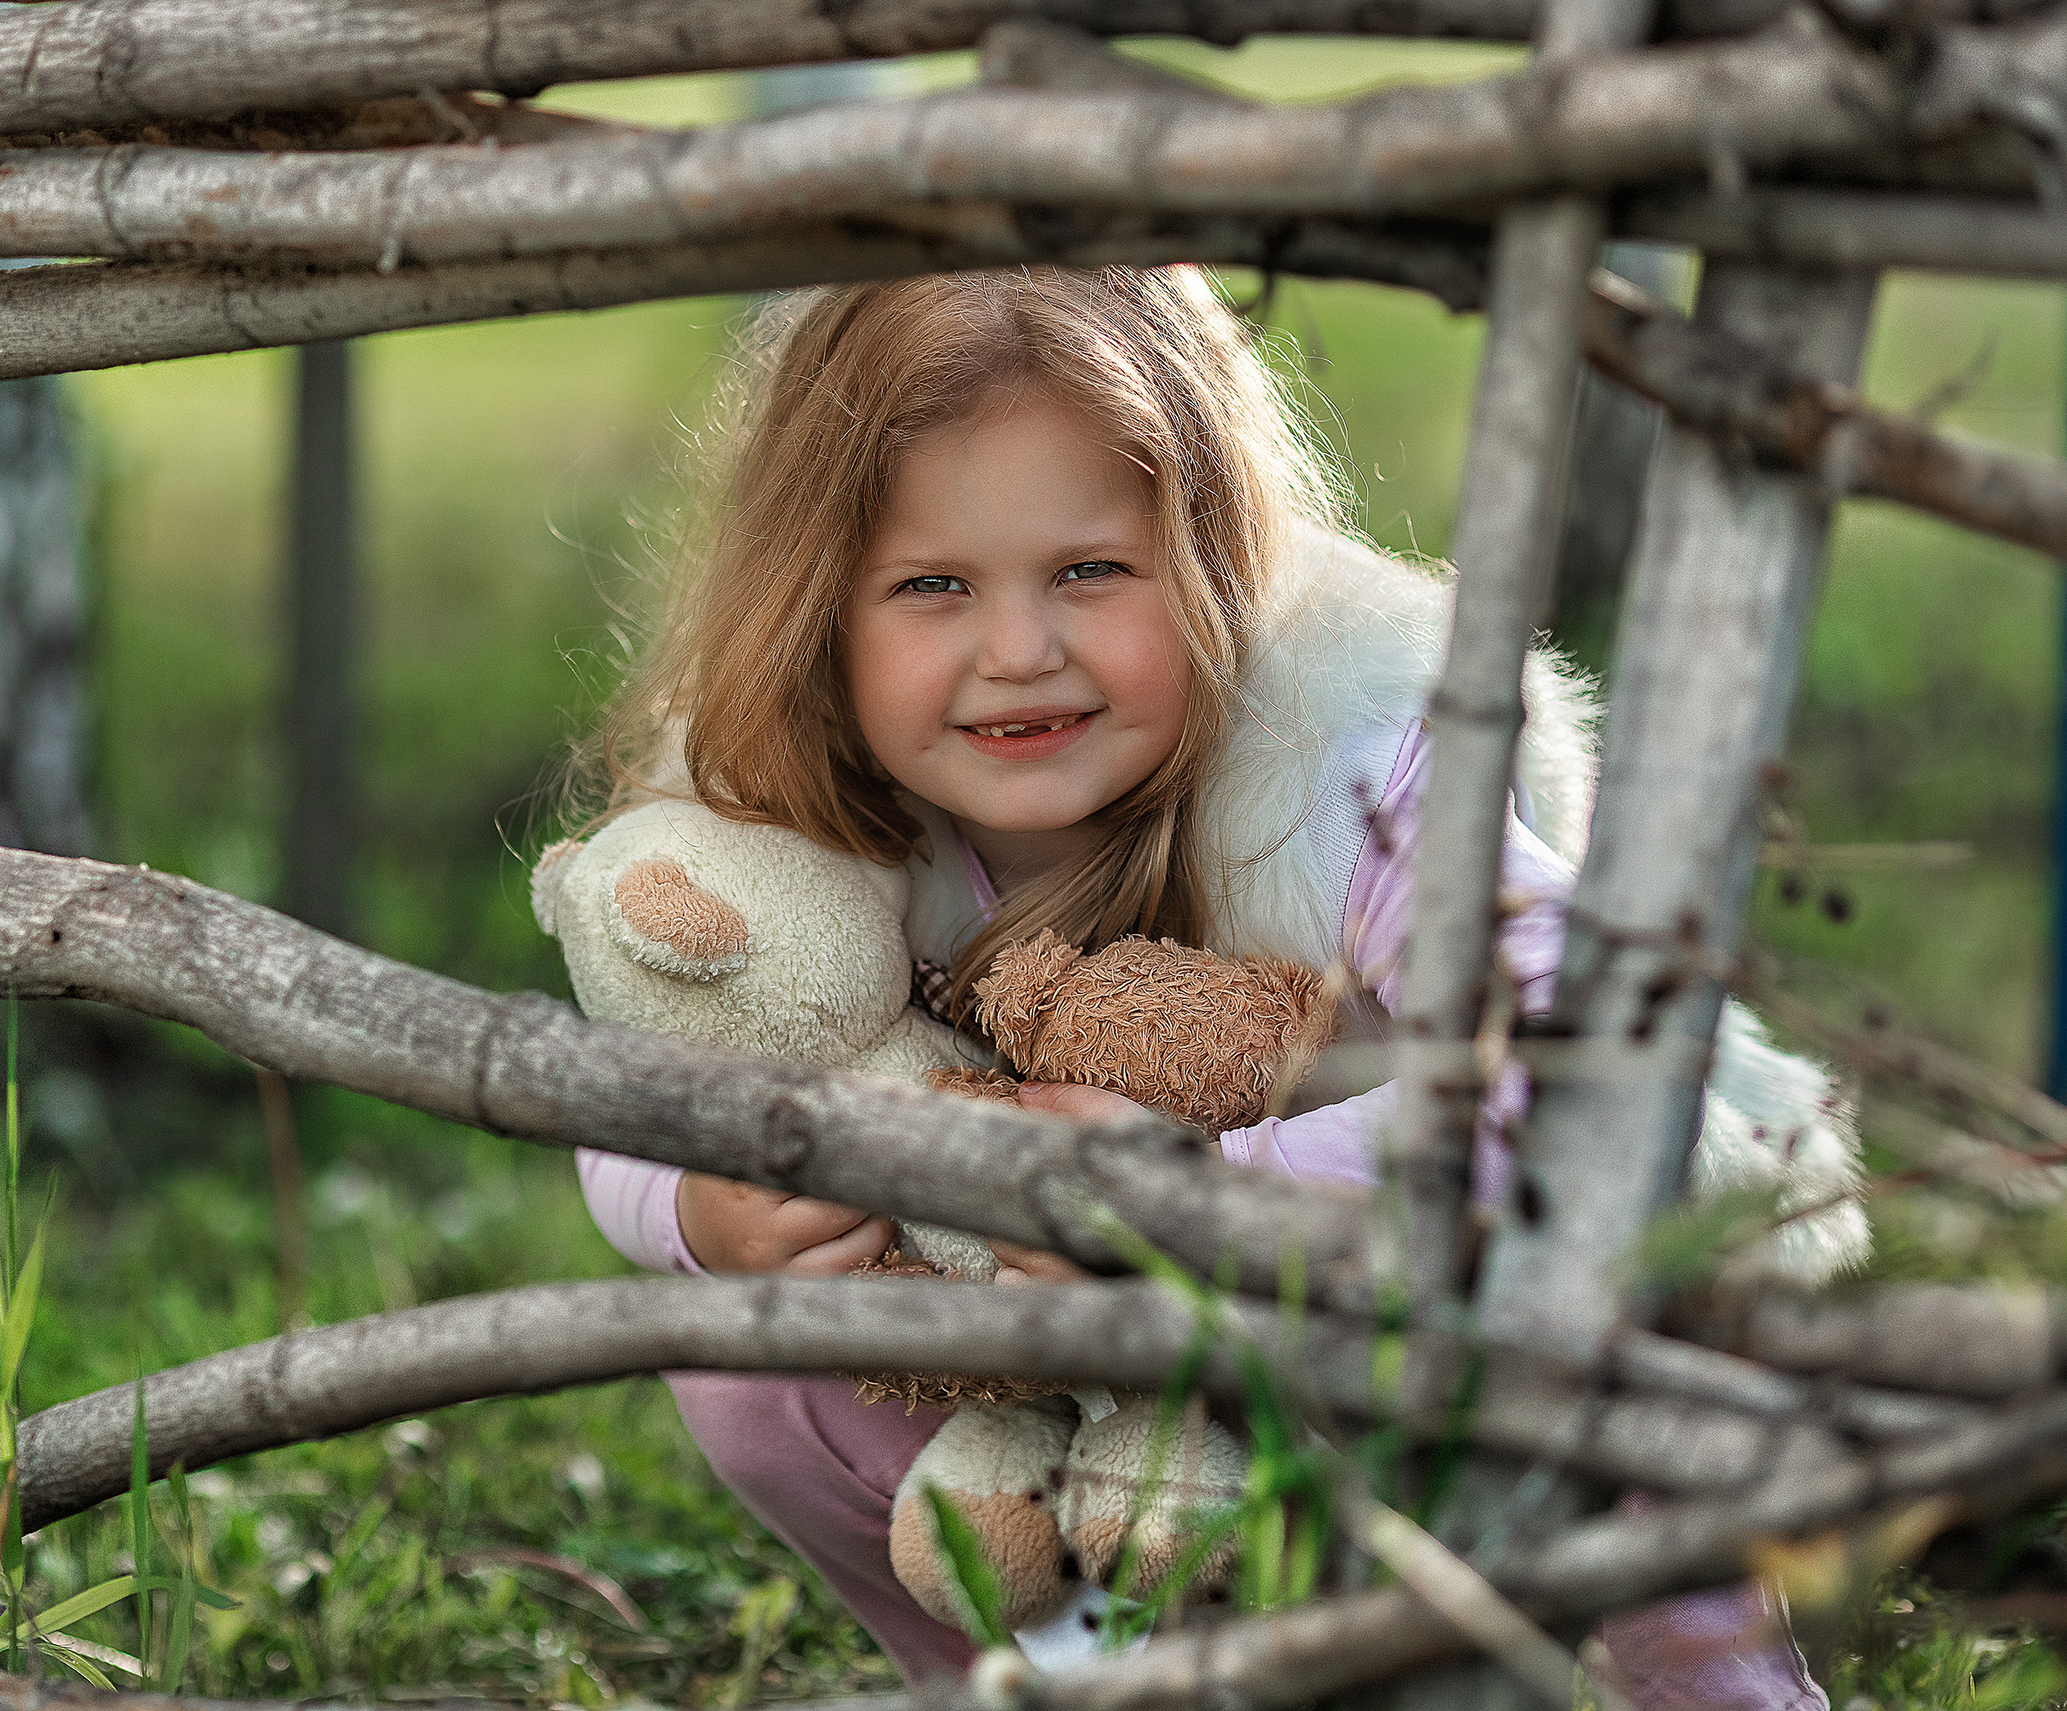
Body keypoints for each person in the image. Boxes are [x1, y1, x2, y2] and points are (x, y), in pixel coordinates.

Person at [560, 266, 1826, 1709]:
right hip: (1100, 1428)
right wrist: (697, 1209)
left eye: (1090, 569)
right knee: (753, 1360)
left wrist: (1215, 1189)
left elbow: (1600, 1073)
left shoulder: (1351, 771)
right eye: (932, 585)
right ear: (820, 611)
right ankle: (1059, 1675)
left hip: (1414, 1356)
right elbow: (651, 1084)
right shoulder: (798, 825)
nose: (1019, 650)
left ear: (1216, 556)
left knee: (1618, 1336)